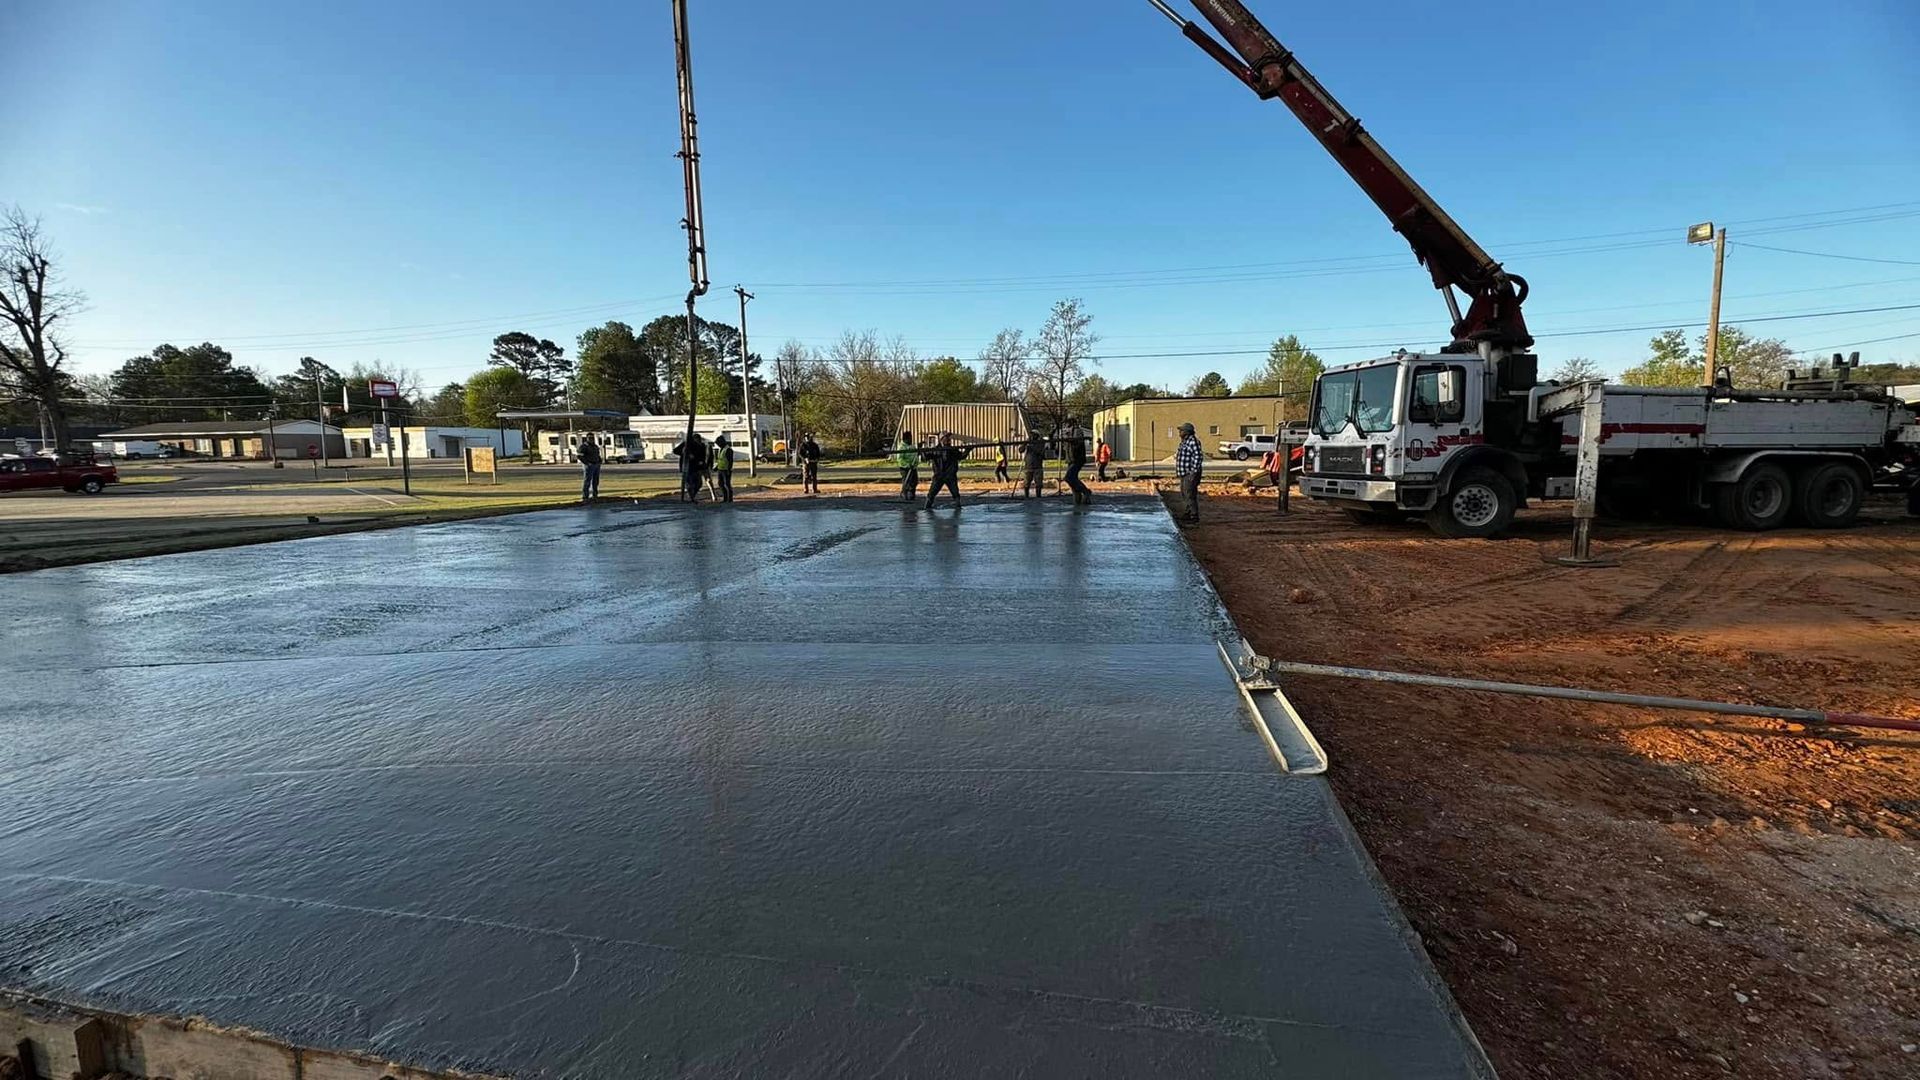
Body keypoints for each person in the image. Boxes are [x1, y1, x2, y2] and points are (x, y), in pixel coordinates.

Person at [922, 432, 967, 510]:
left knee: (955, 493)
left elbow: (961, 456)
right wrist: (922, 451)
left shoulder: (953, 450)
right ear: (941, 439)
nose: (949, 439)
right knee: (932, 493)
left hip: (950, 475)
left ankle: (958, 507)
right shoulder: (935, 450)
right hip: (939, 475)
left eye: (949, 438)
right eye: (947, 438)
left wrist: (967, 450)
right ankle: (927, 507)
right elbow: (925, 458)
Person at [1174, 421, 1204, 524]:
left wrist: (1193, 472)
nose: (1179, 432)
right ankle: (1187, 513)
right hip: (1183, 473)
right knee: (1184, 493)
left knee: (1190, 494)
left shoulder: (1193, 441)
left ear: (1187, 432)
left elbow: (1198, 457)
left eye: (1181, 431)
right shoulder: (1184, 442)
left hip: (1190, 474)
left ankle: (1194, 516)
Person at [1060, 423, 1092, 505]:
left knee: (1068, 477)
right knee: (1072, 479)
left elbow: (1077, 443)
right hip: (1070, 459)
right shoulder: (1068, 434)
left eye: (1067, 426)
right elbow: (1066, 448)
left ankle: (1085, 491)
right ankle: (1077, 496)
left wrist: (1070, 440)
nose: (1066, 429)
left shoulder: (1077, 431)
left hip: (1077, 459)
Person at [672, 431, 707, 503]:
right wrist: (684, 452)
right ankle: (691, 498)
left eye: (699, 440)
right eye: (696, 440)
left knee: (698, 484)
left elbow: (702, 457)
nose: (698, 442)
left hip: (696, 467)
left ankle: (692, 496)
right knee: (690, 483)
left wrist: (702, 465)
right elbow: (675, 451)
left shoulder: (702, 446)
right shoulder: (686, 444)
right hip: (687, 467)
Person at [1020, 430, 1047, 499]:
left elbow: (1039, 452)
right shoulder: (1028, 443)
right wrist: (1025, 443)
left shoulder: (1041, 443)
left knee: (1038, 483)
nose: (1032, 436)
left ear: (1037, 435)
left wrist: (1031, 446)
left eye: (1034, 435)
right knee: (1026, 483)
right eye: (1031, 435)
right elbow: (1020, 450)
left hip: (1037, 466)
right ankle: (1026, 496)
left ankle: (1038, 496)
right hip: (1028, 466)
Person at [894, 430, 920, 503]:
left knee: (914, 481)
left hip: (913, 467)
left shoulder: (912, 446)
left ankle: (912, 493)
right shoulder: (901, 447)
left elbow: (915, 454)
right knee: (907, 481)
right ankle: (905, 493)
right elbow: (900, 459)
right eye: (910, 438)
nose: (911, 439)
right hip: (905, 468)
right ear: (906, 439)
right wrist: (907, 465)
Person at [576, 435, 603, 501]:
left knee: (596, 481)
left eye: (592, 438)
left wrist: (599, 461)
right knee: (587, 481)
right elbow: (579, 456)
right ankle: (585, 496)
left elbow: (598, 455)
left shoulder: (595, 446)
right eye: (590, 438)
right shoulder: (584, 446)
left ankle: (595, 495)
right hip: (589, 465)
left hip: (596, 465)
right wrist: (587, 463)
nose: (591, 439)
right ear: (587, 438)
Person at [713, 433, 735, 503]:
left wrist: (729, 469)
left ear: (722, 442)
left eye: (718, 443)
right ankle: (725, 498)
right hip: (720, 469)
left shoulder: (728, 449)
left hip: (726, 470)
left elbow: (730, 461)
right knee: (720, 484)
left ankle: (730, 499)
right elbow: (720, 459)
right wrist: (716, 467)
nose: (718, 445)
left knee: (727, 484)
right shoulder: (721, 449)